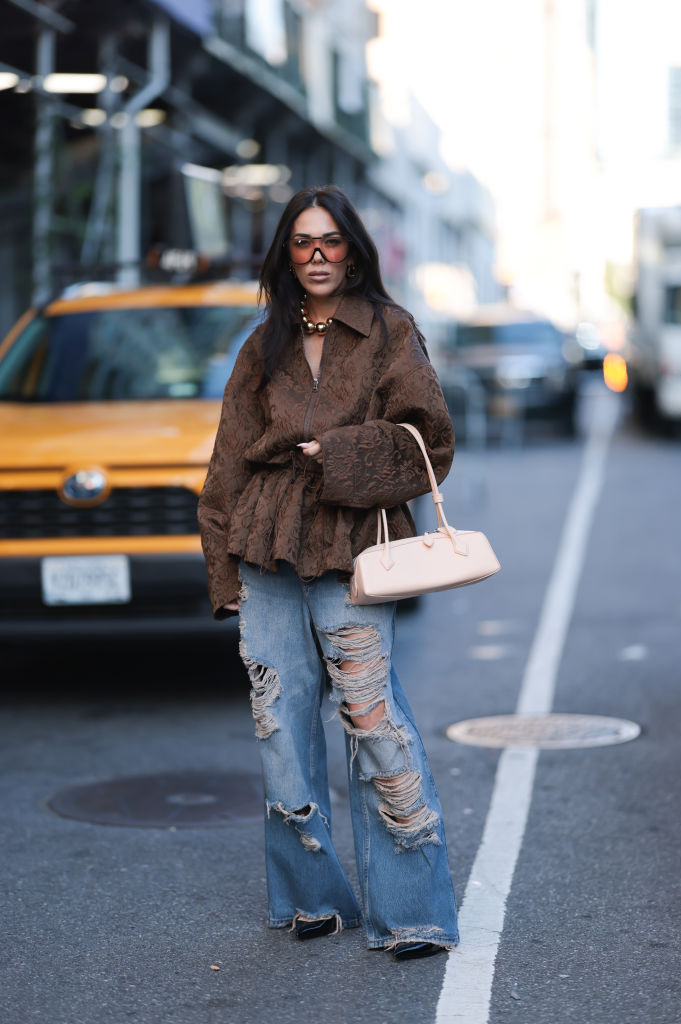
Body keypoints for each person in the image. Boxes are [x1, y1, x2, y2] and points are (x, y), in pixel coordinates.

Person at [197, 185, 459, 960]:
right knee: (278, 728)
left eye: (331, 241)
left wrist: (338, 454)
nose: (316, 255)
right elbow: (224, 467)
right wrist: (222, 574)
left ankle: (411, 912)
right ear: (285, 252)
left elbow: (430, 441)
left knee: (371, 722)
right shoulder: (261, 344)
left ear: (353, 250)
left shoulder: (389, 331)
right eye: (302, 242)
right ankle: (310, 898)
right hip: (266, 547)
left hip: (353, 550)